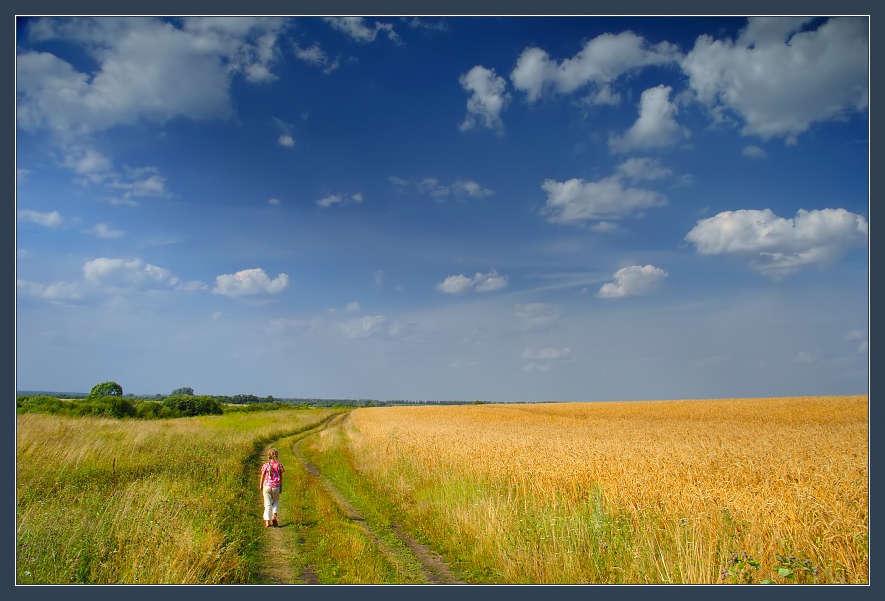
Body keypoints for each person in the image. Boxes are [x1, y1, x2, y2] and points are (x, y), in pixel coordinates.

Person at [259, 448, 284, 527]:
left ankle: (267, 521)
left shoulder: (266, 465)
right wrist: (280, 487)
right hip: (275, 486)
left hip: (266, 486)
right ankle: (274, 516)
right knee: (275, 501)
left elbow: (262, 476)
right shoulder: (279, 465)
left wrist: (261, 485)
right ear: (277, 456)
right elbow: (281, 476)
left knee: (267, 504)